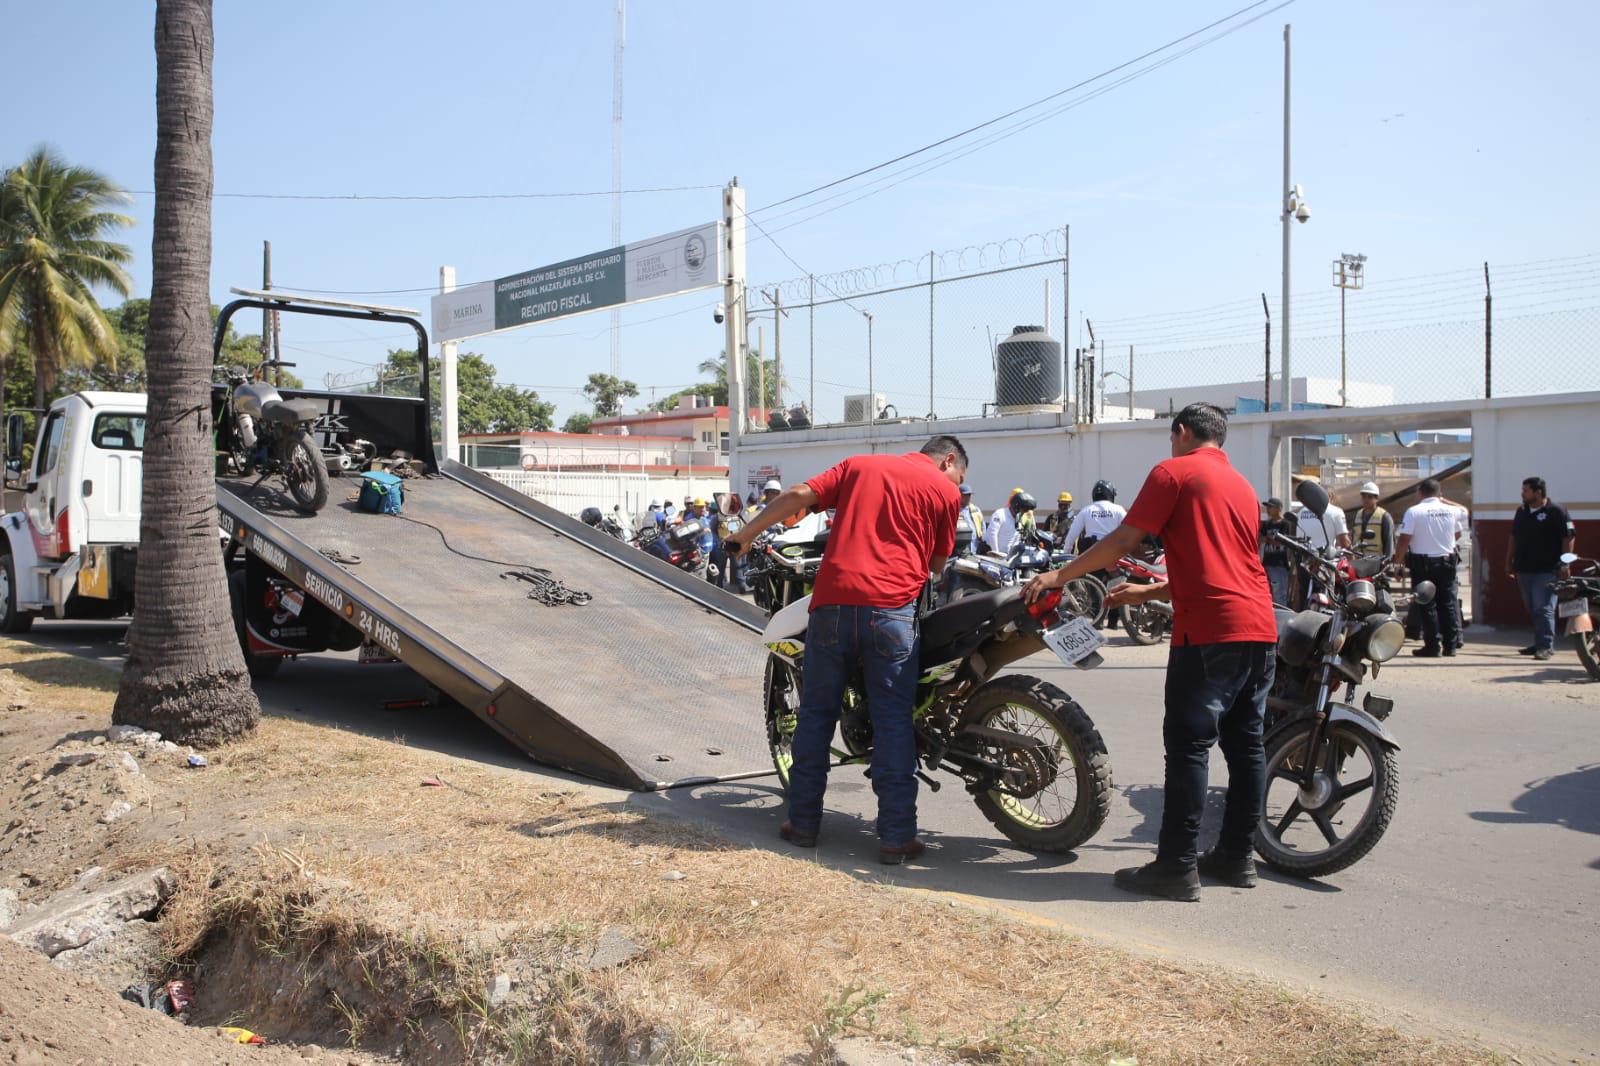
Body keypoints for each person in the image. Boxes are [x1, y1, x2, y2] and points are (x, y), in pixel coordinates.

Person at [1024, 402, 1276, 901]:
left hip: (1208, 632)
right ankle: (1235, 856)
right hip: (1259, 625)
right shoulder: (1244, 488)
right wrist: (1151, 592)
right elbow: (1223, 565)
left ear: (1182, 432)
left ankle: (1177, 866)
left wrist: (1059, 574)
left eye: (1170, 436)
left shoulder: (1173, 472)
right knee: (1247, 747)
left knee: (1189, 746)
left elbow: (1122, 541)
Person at [723, 435, 966, 865]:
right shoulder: (946, 491)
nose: (958, 480)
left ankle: (802, 824)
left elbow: (798, 495)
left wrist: (745, 535)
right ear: (949, 460)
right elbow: (937, 566)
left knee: (816, 715)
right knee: (893, 722)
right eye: (960, 473)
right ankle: (896, 837)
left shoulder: (859, 465)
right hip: (891, 614)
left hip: (831, 608)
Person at [1506, 476, 1576, 661]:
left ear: (1538, 492)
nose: (1522, 493)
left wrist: (1565, 563)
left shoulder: (1557, 511)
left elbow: (1568, 538)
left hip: (1547, 570)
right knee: (1532, 608)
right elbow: (1513, 537)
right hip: (1524, 569)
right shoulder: (1521, 511)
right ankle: (1539, 642)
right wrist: (1508, 561)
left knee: (1543, 608)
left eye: (1525, 490)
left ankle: (1546, 646)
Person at [1395, 478, 1463, 658]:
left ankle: (1432, 646)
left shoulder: (1414, 512)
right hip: (1447, 562)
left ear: (1420, 492)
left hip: (1422, 564)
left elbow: (1404, 540)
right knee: (1447, 603)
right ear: (1439, 493)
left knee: (1427, 604)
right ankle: (1451, 646)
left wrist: (1398, 563)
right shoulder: (1452, 511)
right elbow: (1458, 532)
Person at [1063, 480, 1127, 554]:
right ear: (1111, 494)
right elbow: (1128, 532)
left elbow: (1072, 535)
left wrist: (1066, 553)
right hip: (1112, 555)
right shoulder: (1118, 510)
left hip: (1091, 555)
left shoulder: (1086, 510)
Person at [1259, 497, 1298, 606]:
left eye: (1270, 507)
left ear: (1278, 508)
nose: (1268, 510)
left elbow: (1285, 542)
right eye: (1267, 507)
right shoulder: (1266, 524)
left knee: (1280, 594)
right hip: (1267, 563)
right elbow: (1260, 539)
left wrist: (1269, 540)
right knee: (1268, 592)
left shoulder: (1285, 524)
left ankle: (1281, 617)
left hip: (1280, 564)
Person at [1352, 482, 1394, 560]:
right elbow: (1353, 538)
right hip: (1358, 561)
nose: (1366, 499)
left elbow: (1389, 543)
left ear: (1376, 498)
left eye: (1370, 497)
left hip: (1376, 562)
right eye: (1364, 496)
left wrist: (1386, 562)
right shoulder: (1357, 515)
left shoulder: (1384, 516)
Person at [984, 488, 1026, 554]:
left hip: (1008, 556)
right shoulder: (1000, 514)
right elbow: (992, 534)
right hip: (993, 554)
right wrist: (996, 553)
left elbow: (1017, 537)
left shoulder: (1019, 518)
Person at [954, 484, 986, 555]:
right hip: (960, 549)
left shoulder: (976, 509)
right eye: (965, 495)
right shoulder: (954, 510)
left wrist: (983, 543)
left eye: (969, 495)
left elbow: (983, 527)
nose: (968, 498)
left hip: (976, 548)